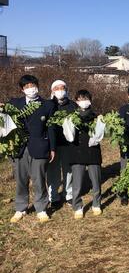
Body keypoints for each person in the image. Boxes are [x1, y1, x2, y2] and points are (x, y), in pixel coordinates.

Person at [9, 75, 56, 223]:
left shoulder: (47, 105)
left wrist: (52, 148)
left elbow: (51, 128)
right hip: (19, 148)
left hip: (40, 146)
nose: (30, 89)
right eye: (27, 86)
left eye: (32, 85)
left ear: (37, 86)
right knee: (21, 179)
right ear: (22, 89)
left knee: (39, 179)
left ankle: (41, 208)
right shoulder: (14, 104)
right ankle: (20, 207)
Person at [69, 90, 103, 219]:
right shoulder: (72, 117)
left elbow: (100, 134)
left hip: (93, 151)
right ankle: (77, 206)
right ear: (76, 101)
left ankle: (96, 204)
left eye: (86, 98)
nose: (83, 101)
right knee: (77, 183)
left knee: (96, 181)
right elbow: (69, 135)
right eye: (80, 99)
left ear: (90, 100)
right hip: (77, 151)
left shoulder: (96, 116)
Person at [47, 79, 76, 210]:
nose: (60, 90)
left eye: (62, 88)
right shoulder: (47, 105)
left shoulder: (73, 105)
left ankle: (68, 194)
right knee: (53, 171)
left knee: (68, 170)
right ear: (52, 91)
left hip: (68, 144)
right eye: (57, 88)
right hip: (53, 144)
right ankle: (54, 197)